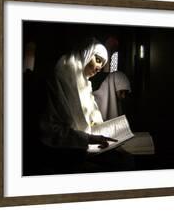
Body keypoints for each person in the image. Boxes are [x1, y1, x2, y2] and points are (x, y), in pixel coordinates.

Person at [31, 37, 120, 174]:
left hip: (82, 150)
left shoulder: (85, 84)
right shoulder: (60, 75)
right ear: (86, 53)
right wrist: (87, 138)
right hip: (61, 155)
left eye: (101, 66)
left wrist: (100, 128)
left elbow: (93, 116)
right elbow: (50, 131)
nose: (98, 69)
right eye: (98, 60)